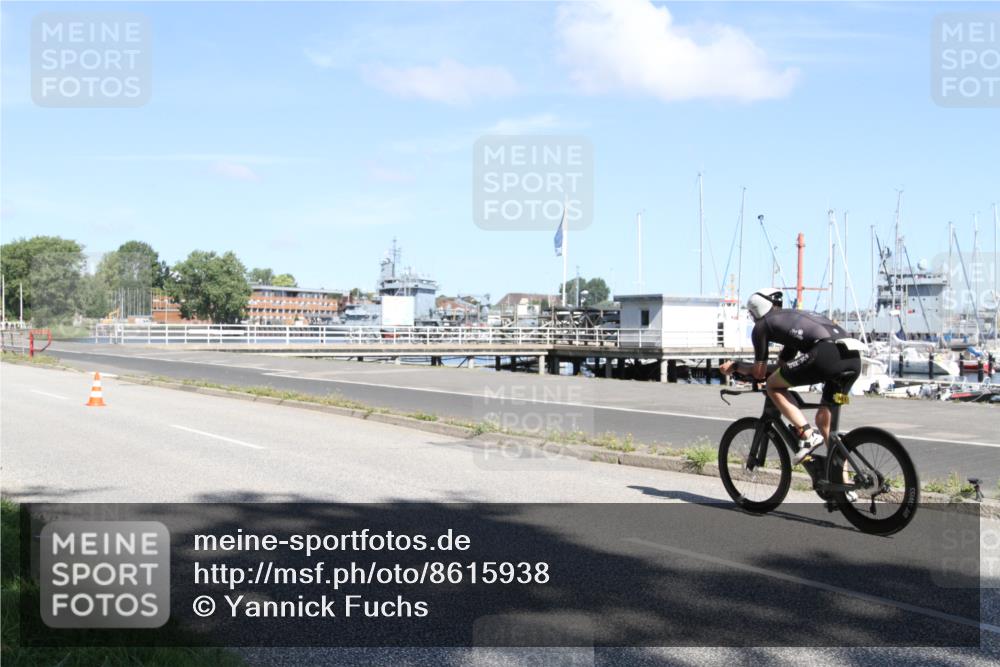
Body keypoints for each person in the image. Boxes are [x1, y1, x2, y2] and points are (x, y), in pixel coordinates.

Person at [720, 288, 863, 465]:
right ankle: (845, 484)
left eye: (750, 313)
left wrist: (736, 366)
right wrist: (754, 371)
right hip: (852, 357)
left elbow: (759, 372)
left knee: (773, 386)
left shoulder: (762, 326)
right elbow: (782, 367)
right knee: (824, 424)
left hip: (827, 354)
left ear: (756, 310)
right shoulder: (792, 321)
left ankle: (807, 434)